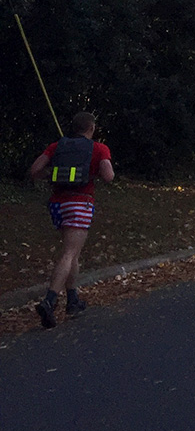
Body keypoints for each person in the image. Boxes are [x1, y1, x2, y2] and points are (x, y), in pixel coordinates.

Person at [29, 111, 114, 329]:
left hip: (58, 203)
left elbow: (35, 170)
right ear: (92, 128)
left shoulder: (57, 146)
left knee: (73, 251)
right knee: (69, 253)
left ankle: (73, 300)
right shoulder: (98, 148)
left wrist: (54, 176)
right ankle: (49, 300)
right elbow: (108, 176)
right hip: (81, 202)